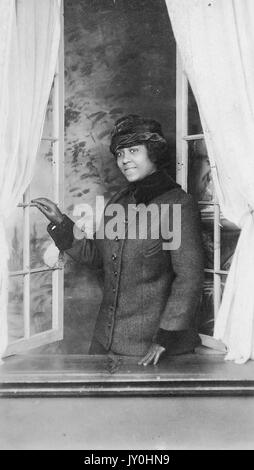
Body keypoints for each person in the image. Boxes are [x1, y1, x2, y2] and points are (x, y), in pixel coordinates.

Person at [32, 114, 204, 365]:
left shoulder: (178, 205)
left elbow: (189, 279)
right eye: (120, 153)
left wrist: (165, 338)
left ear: (153, 152)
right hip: (104, 343)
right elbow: (96, 257)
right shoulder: (118, 202)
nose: (125, 160)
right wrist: (61, 223)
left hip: (150, 350)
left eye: (133, 151)